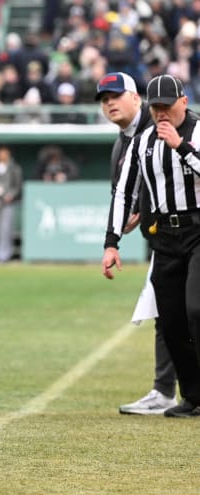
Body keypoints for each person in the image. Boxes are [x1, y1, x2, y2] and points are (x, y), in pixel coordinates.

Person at [102, 74, 200, 418]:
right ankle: (192, 396)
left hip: (199, 229)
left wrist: (181, 147)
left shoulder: (197, 131)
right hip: (166, 238)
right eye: (155, 107)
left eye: (167, 107)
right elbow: (124, 193)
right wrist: (112, 243)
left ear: (183, 103)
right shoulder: (142, 142)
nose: (161, 114)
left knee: (196, 309)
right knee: (170, 319)